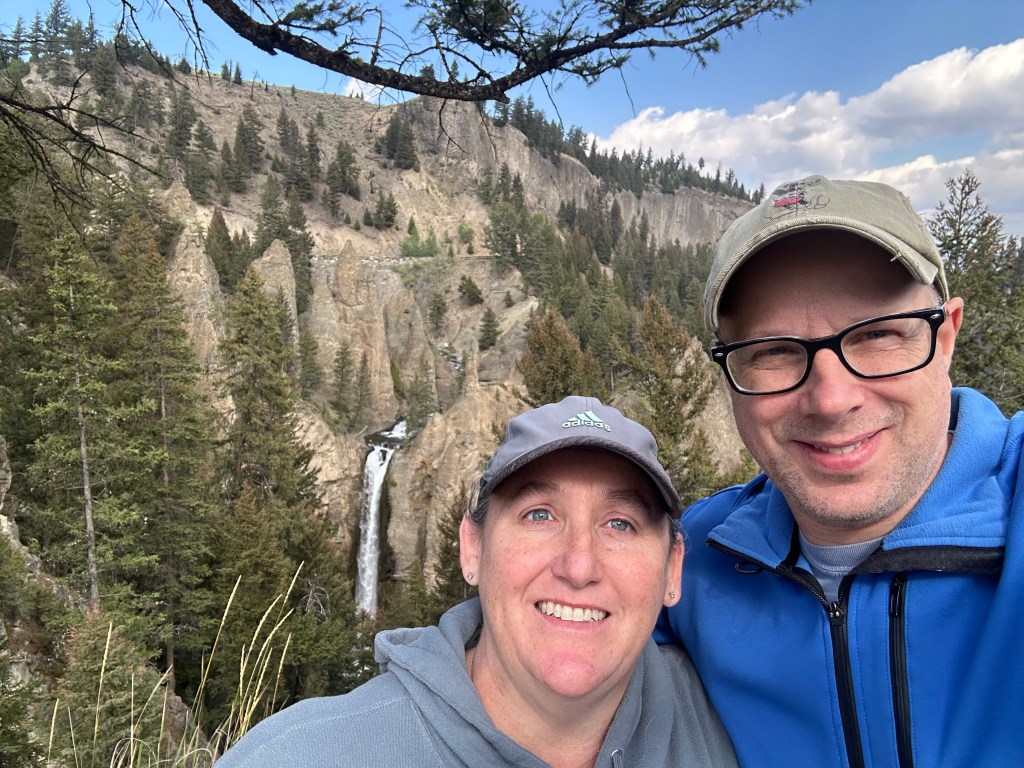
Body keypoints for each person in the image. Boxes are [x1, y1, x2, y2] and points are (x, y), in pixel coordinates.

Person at [656, 174, 1024, 768]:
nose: (831, 400)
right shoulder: (695, 559)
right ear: (729, 375)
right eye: (775, 350)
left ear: (946, 335)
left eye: (877, 335)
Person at [217, 395, 737, 767]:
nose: (579, 566)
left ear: (672, 569)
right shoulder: (300, 755)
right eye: (539, 515)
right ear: (473, 548)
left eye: (620, 524)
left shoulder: (731, 718)